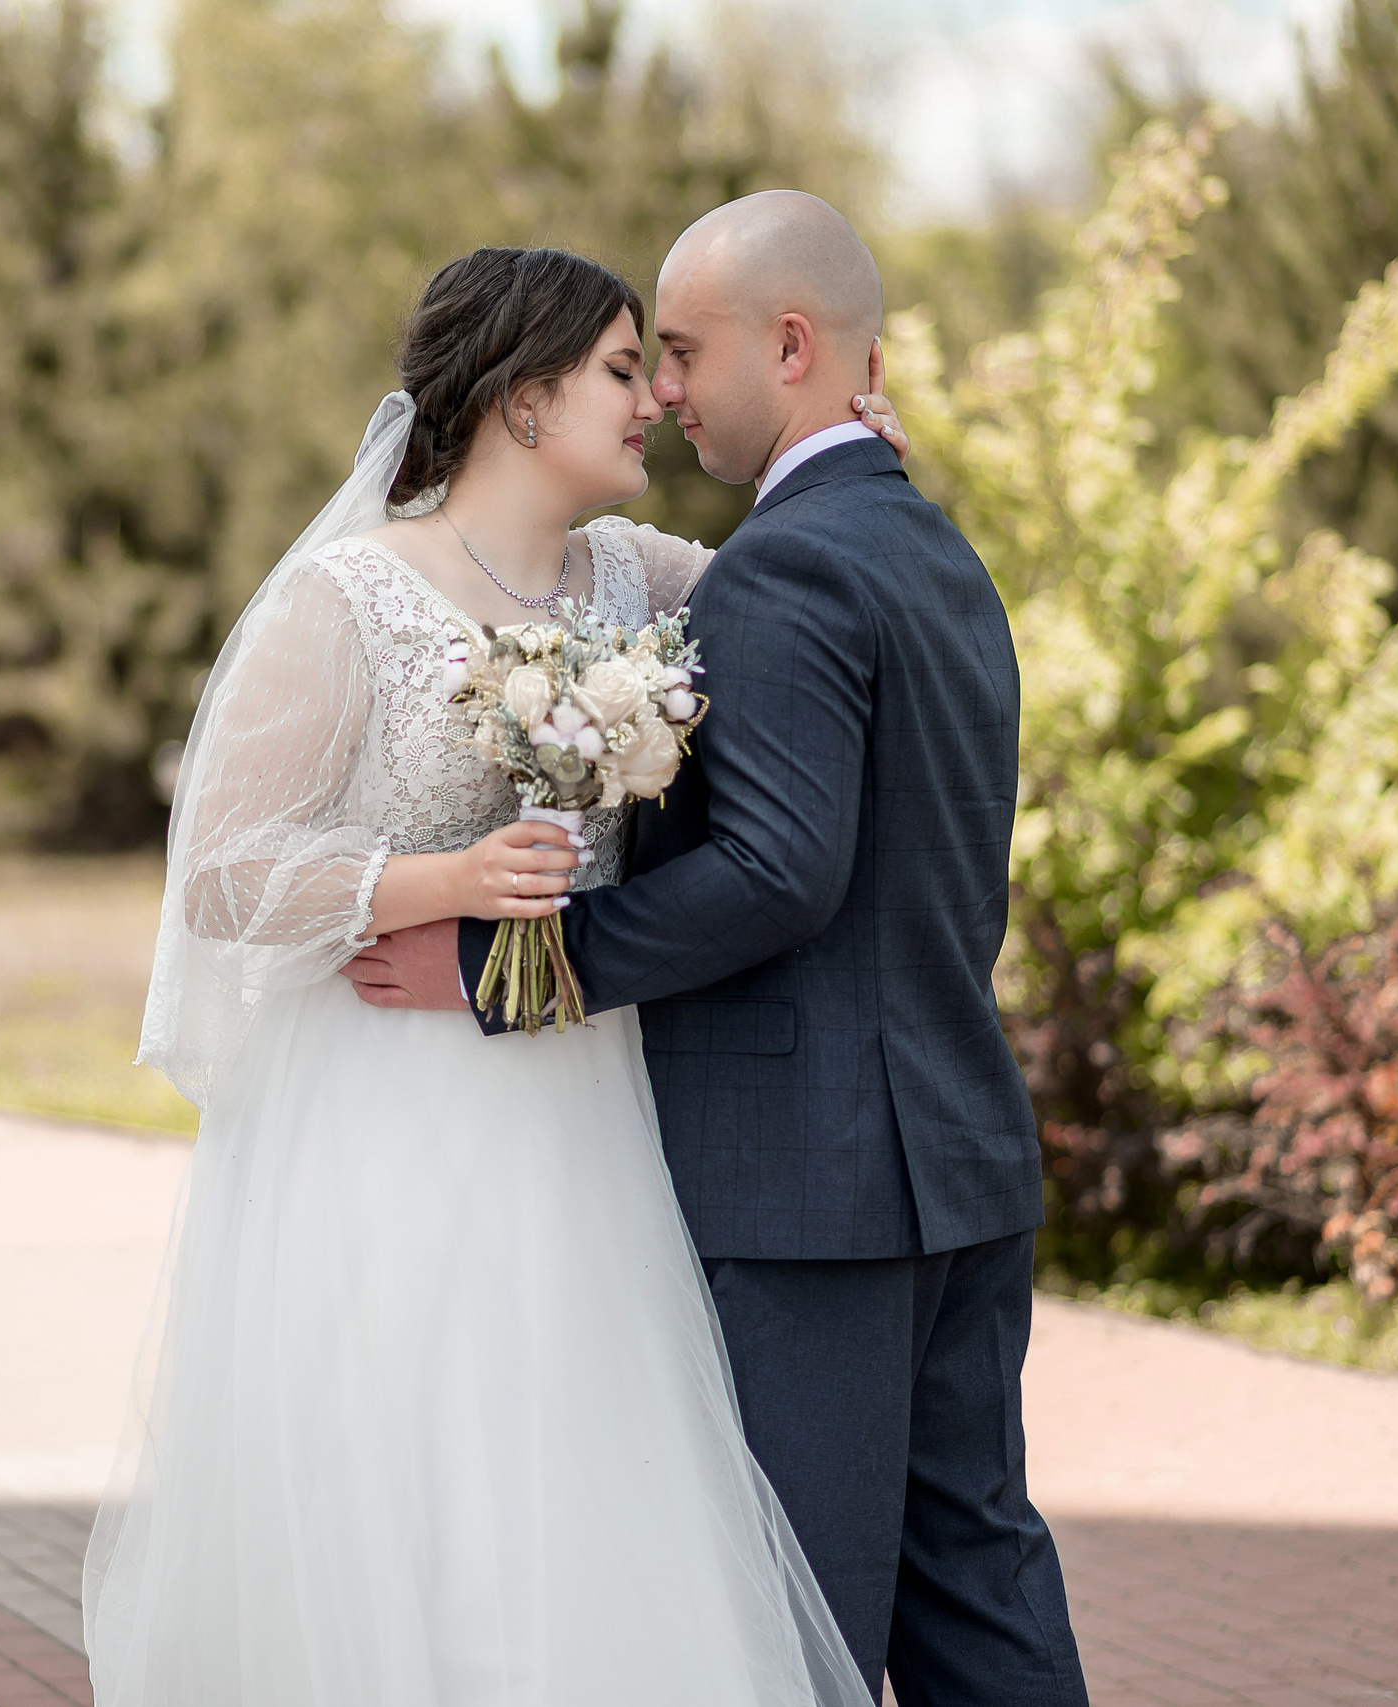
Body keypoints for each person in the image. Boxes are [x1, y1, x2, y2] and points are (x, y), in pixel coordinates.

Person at [87, 245, 895, 1706]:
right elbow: (217, 869)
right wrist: (434, 889)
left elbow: (801, 591)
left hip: (581, 1102)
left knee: (578, 1468)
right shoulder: (348, 599)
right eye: (615, 368)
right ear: (523, 401)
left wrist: (854, 467)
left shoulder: (638, 578)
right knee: (419, 1469)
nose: (650, 397)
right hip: (394, 1105)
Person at [344, 193, 1091, 1706]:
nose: (667, 389)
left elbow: (774, 873)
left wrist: (510, 976)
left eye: (680, 352)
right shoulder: (933, 554)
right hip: (951, 1159)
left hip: (815, 1194)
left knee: (787, 1620)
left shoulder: (790, 569)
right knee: (975, 1588)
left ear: (794, 344)